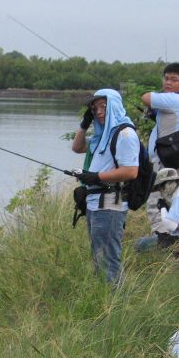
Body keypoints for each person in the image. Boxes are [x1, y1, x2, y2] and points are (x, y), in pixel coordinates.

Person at [71, 88, 139, 284]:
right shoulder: (103, 135)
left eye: (103, 106)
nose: (99, 112)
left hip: (109, 205)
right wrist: (84, 124)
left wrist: (96, 177)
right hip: (94, 204)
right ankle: (111, 302)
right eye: (94, 108)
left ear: (115, 106)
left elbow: (131, 171)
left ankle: (116, 306)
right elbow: (77, 147)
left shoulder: (125, 134)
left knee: (107, 261)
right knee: (100, 259)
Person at [141, 63, 179, 239]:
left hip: (167, 164)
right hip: (178, 161)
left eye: (174, 79)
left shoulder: (175, 99)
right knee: (177, 205)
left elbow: (146, 97)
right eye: (166, 78)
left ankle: (161, 241)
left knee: (156, 202)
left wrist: (160, 96)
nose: (168, 83)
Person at [135, 168, 179, 263]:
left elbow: (170, 227)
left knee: (140, 244)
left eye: (161, 187)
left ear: (170, 183)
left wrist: (163, 208)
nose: (161, 191)